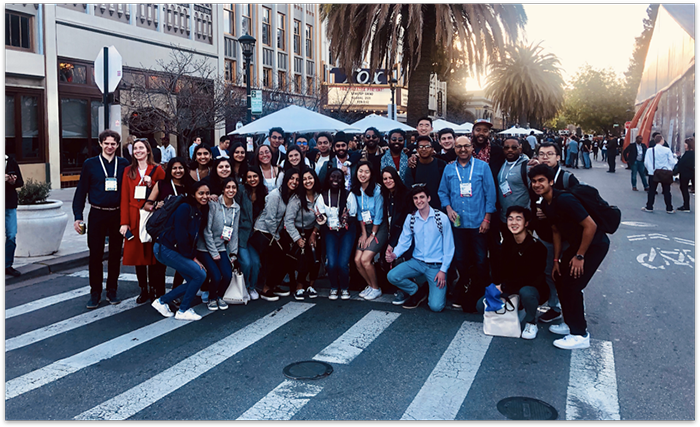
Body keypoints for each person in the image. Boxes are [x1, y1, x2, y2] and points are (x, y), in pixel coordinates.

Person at [528, 163, 610, 350]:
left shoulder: (565, 200)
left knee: (573, 286)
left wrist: (580, 256)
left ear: (551, 181)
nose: (537, 184)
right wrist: (557, 260)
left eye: (541, 180)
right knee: (561, 280)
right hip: (575, 246)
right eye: (534, 181)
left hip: (594, 246)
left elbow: (591, 226)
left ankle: (580, 334)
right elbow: (556, 232)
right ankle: (569, 323)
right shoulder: (546, 203)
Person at [438, 135, 497, 313]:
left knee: (480, 260)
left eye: (466, 146)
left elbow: (490, 195)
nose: (462, 149)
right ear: (454, 149)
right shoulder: (449, 170)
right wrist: (448, 208)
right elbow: (442, 192)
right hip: (458, 225)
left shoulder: (483, 167)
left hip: (479, 223)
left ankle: (483, 293)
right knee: (461, 260)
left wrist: (487, 218)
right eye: (458, 147)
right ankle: (465, 291)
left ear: (472, 147)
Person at [73, 129, 130, 309]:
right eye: (106, 143)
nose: (110, 147)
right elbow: (81, 191)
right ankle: (95, 293)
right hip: (97, 213)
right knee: (95, 255)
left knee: (114, 254)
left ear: (117, 145)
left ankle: (112, 290)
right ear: (100, 144)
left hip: (117, 214)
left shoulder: (123, 164)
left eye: (113, 144)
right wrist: (77, 216)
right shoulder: (90, 164)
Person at [476, 206, 549, 339]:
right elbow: (500, 269)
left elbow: (532, 278)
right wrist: (497, 286)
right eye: (510, 219)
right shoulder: (507, 242)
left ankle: (531, 322)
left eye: (518, 219)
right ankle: (517, 309)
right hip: (509, 287)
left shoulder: (537, 247)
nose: (514, 223)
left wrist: (504, 287)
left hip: (531, 288)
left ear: (526, 223)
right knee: (481, 305)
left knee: (526, 293)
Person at [527, 142, 579, 324]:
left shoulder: (567, 179)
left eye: (550, 154)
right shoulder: (534, 177)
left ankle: (575, 312)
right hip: (545, 235)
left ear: (558, 157)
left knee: (570, 275)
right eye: (542, 154)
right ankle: (555, 307)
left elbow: (578, 209)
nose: (545, 157)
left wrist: (552, 212)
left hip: (567, 238)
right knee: (550, 272)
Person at [386, 185, 455, 312]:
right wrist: (394, 254)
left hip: (436, 266)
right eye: (415, 198)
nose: (419, 201)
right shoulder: (411, 218)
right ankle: (416, 291)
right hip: (417, 262)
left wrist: (443, 270)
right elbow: (404, 241)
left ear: (428, 198)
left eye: (422, 197)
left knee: (436, 307)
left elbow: (449, 246)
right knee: (392, 276)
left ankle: (438, 288)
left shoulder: (441, 218)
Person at [151, 181, 211, 321]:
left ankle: (162, 301)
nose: (204, 196)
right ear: (193, 194)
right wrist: (191, 257)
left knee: (194, 277)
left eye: (207, 193)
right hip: (165, 248)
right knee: (199, 275)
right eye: (201, 193)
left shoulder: (199, 210)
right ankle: (183, 310)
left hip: (174, 248)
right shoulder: (185, 208)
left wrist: (193, 256)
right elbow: (181, 235)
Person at [119, 138, 166, 304]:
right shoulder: (127, 171)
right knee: (138, 255)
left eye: (141, 148)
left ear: (147, 151)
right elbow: (124, 198)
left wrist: (151, 183)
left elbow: (164, 191)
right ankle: (143, 289)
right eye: (135, 148)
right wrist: (124, 223)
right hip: (134, 215)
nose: (138, 151)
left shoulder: (157, 169)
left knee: (152, 254)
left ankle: (154, 287)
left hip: (151, 215)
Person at [250, 168, 300, 301]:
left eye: (297, 179)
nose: (294, 182)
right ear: (285, 180)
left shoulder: (292, 196)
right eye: (291, 178)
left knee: (287, 256)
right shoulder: (275, 195)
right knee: (277, 256)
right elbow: (269, 219)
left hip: (275, 232)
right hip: (262, 232)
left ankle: (274, 284)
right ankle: (266, 288)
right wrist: (277, 238)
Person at [146, 157, 191, 296]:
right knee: (159, 264)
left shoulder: (189, 186)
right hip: (163, 230)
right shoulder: (161, 185)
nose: (178, 171)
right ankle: (159, 294)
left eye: (180, 168)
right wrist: (155, 206)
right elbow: (147, 205)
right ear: (169, 170)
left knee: (182, 264)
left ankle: (176, 293)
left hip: (183, 230)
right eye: (174, 168)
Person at [197, 177, 240, 311]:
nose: (231, 190)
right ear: (223, 189)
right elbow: (207, 231)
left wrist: (233, 253)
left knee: (227, 275)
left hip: (221, 246)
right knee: (215, 276)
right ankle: (211, 297)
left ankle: (219, 296)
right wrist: (214, 252)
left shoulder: (236, 208)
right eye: (228, 187)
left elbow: (234, 233)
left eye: (233, 187)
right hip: (205, 247)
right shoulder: (214, 204)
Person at [315, 168, 358, 300]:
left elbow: (353, 215)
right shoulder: (322, 196)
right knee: (332, 263)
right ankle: (334, 287)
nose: (335, 180)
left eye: (339, 178)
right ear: (328, 179)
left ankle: (344, 288)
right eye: (333, 177)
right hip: (330, 232)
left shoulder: (348, 194)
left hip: (346, 231)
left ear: (343, 180)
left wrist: (346, 219)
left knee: (342, 263)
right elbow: (320, 218)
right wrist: (320, 218)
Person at [285, 167, 322, 300]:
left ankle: (311, 285)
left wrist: (315, 231)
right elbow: (288, 221)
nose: (307, 181)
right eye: (304, 179)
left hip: (315, 230)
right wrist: (297, 238)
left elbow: (323, 217)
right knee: (304, 259)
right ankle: (299, 286)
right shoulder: (296, 199)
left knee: (316, 258)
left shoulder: (320, 196)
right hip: (299, 232)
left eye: (310, 178)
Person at [353, 160, 387, 301]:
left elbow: (379, 215)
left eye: (366, 172)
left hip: (379, 227)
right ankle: (370, 285)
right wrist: (364, 234)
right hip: (365, 228)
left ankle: (376, 288)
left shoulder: (378, 190)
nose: (363, 174)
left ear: (371, 174)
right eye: (360, 171)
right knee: (357, 259)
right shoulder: (356, 190)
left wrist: (372, 234)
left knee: (366, 259)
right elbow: (359, 214)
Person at [379, 166, 413, 304]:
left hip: (405, 235)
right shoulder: (386, 194)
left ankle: (404, 291)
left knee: (399, 259)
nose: (388, 181)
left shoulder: (404, 194)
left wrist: (392, 243)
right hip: (391, 232)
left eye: (390, 178)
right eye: (385, 179)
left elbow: (402, 222)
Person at [236, 166, 267, 299]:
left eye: (255, 176)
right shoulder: (241, 191)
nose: (252, 179)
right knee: (246, 263)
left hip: (254, 235)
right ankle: (243, 287)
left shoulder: (262, 192)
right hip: (240, 234)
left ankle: (252, 287)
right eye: (249, 177)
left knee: (256, 263)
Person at [496, 138, 531, 242]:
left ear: (520, 149)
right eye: (506, 147)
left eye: (514, 147)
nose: (510, 150)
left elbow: (534, 191)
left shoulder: (527, 166)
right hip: (505, 217)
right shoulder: (501, 163)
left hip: (522, 219)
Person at [643, 134, 677, 214]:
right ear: (662, 141)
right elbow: (672, 162)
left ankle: (649, 206)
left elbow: (646, 162)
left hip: (653, 173)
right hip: (665, 172)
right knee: (666, 191)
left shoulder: (650, 150)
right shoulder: (667, 150)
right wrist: (669, 169)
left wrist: (651, 170)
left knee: (652, 191)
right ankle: (669, 208)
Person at [411, 135, 446, 211]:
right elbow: (408, 190)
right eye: (421, 146)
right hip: (419, 210)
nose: (424, 149)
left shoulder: (441, 165)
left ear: (432, 149)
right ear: (417, 150)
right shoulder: (413, 167)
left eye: (427, 146)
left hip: (439, 208)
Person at [5, 152, 24, 277]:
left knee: (11, 235)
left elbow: (20, 182)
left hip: (9, 203)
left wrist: (13, 181)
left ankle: (8, 265)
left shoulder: (11, 160)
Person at [676, 137, 695, 212]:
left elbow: (682, 163)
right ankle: (686, 205)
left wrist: (675, 172)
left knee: (684, 188)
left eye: (685, 143)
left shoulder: (688, 154)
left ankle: (686, 206)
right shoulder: (692, 153)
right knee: (684, 189)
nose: (684, 145)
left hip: (685, 173)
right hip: (690, 173)